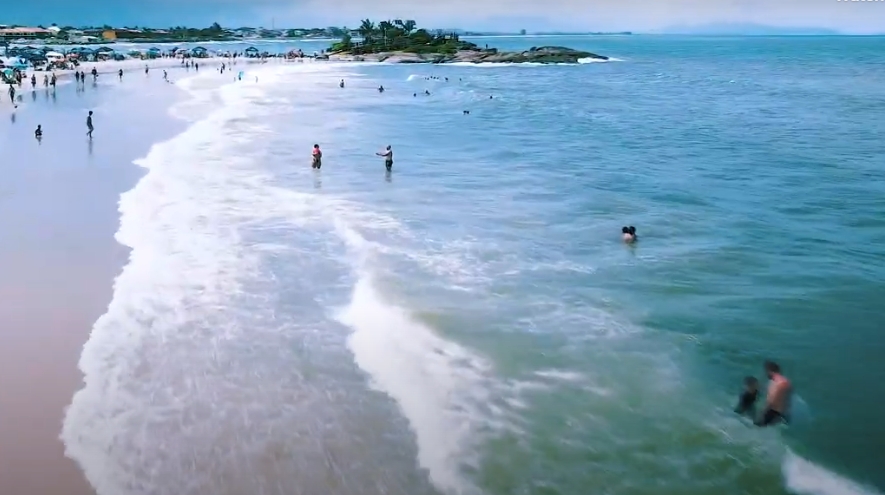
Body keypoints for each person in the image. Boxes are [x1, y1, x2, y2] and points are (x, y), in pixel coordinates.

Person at [756, 360, 791, 427]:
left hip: (772, 414)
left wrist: (762, 413)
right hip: (784, 414)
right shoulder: (786, 381)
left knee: (757, 429)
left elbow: (771, 401)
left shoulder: (775, 382)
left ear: (769, 371)